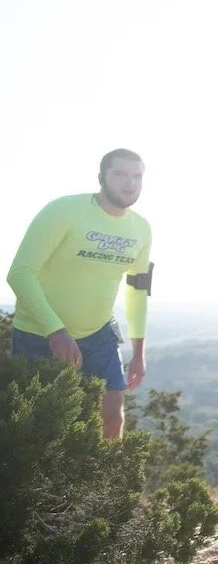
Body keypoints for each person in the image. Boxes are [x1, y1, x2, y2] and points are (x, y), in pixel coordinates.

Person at [7, 148, 154, 439]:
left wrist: (139, 352)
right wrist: (55, 330)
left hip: (99, 335)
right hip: (38, 335)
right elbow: (20, 274)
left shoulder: (141, 228)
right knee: (38, 429)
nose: (129, 183)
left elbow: (138, 290)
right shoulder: (62, 211)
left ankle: (110, 470)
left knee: (113, 419)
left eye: (136, 176)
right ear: (101, 177)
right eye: (120, 174)